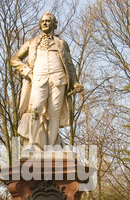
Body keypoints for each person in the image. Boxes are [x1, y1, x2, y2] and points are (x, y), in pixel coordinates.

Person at [10, 12, 83, 151]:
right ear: (40, 24)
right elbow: (14, 59)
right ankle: (31, 145)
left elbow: (69, 64)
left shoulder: (61, 43)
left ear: (54, 25)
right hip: (38, 79)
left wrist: (74, 82)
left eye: (48, 21)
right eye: (43, 21)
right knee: (35, 110)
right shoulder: (31, 43)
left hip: (58, 80)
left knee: (54, 113)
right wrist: (28, 72)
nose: (45, 23)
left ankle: (50, 148)